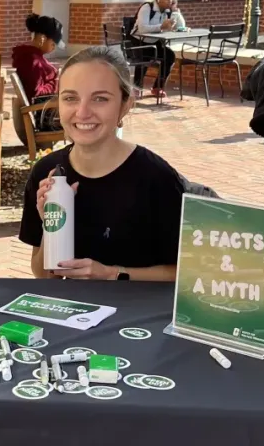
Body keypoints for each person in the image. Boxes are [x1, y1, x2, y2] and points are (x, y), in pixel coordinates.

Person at [19, 46, 186, 281]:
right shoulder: (48, 174)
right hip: (73, 313)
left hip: (137, 313)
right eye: (70, 98)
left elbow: (185, 275)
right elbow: (44, 275)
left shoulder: (157, 179)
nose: (83, 112)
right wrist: (51, 226)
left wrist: (112, 274)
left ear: (125, 105)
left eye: (100, 99)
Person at [12, 13, 62, 131]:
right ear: (43, 39)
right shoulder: (32, 61)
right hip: (45, 117)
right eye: (53, 44)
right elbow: (36, 94)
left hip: (47, 111)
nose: (54, 47)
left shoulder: (34, 56)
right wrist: (56, 82)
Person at [131, 0, 179, 99]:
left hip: (154, 42)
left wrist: (175, 15)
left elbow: (177, 26)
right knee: (144, 57)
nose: (169, 1)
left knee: (169, 56)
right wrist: (161, 26)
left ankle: (157, 87)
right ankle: (136, 87)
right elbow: (142, 28)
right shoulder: (147, 8)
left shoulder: (168, 11)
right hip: (138, 42)